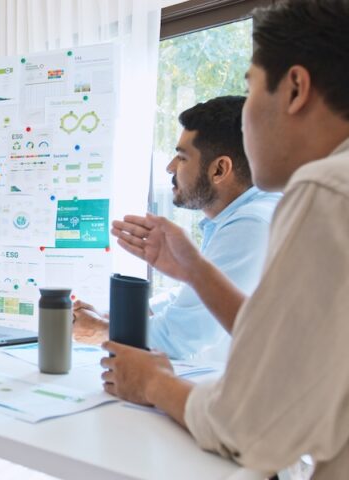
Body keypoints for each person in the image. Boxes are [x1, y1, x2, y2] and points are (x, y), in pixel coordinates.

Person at [101, 1, 349, 477]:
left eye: (250, 87)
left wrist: (153, 384)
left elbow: (252, 426)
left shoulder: (325, 191)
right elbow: (295, 347)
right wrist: (193, 269)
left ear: (295, 88)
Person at [73, 96, 280, 360]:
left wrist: (102, 330)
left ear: (219, 169)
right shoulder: (244, 217)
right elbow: (193, 299)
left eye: (182, 157)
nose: (170, 167)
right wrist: (114, 319)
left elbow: (181, 337)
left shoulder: (250, 225)